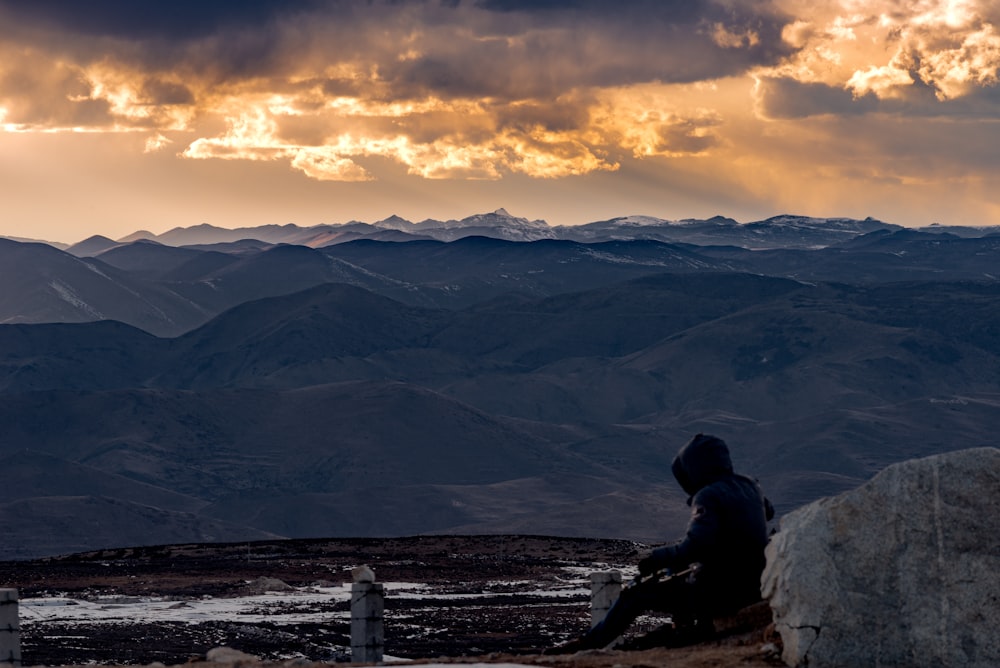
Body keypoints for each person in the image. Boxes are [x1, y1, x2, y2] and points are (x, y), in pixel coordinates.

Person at [548, 433, 774, 653]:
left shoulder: (708, 495)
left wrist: (655, 558)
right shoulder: (750, 486)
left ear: (695, 467)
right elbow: (769, 511)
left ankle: (590, 645)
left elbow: (695, 547)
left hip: (718, 591)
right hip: (753, 586)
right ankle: (688, 628)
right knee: (681, 574)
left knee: (636, 592)